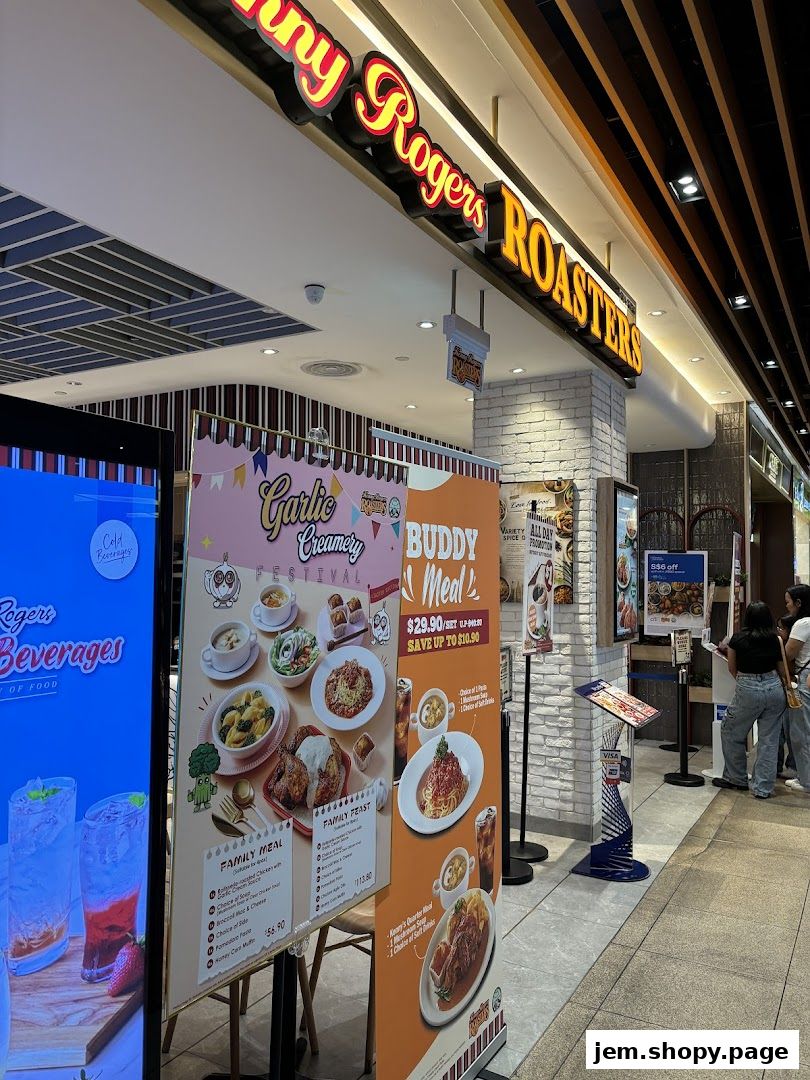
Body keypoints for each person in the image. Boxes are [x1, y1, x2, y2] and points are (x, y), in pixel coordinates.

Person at [712, 602, 787, 798]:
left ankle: (737, 779)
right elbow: (781, 668)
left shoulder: (737, 639)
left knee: (731, 731)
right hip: (774, 687)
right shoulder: (775, 639)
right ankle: (763, 788)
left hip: (747, 687)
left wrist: (747, 683)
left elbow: (732, 668)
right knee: (769, 740)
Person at [782, 584, 810, 794]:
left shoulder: (803, 623)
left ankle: (806, 780)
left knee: (802, 731)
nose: (787, 606)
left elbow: (788, 654)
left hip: (805, 678)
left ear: (799, 603)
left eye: (788, 602)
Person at [776, 617, 797, 778]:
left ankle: (793, 767)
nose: (778, 630)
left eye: (781, 628)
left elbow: (785, 671)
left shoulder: (789, 648)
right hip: (786, 691)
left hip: (790, 691)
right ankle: (788, 766)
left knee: (788, 731)